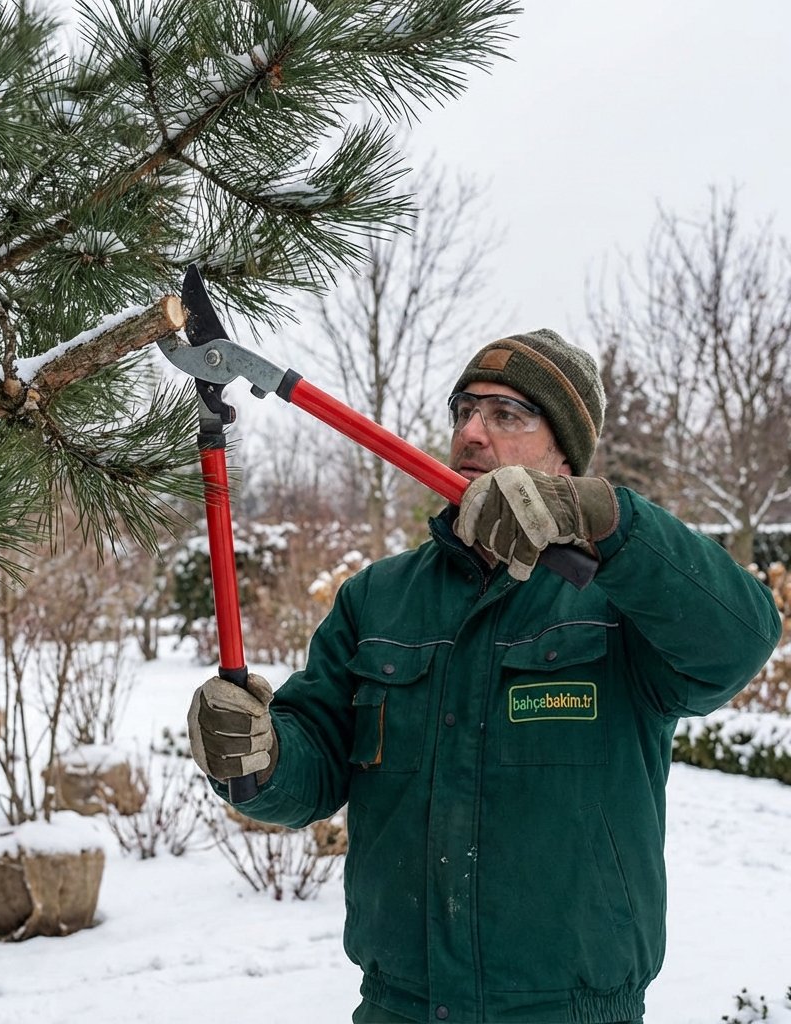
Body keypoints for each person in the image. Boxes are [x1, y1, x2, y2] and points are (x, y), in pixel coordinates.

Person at [187, 329, 782, 1024]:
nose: (471, 432)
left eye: (506, 415)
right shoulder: (378, 600)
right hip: (402, 1008)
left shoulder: (621, 603)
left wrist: (608, 520)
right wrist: (257, 760)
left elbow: (741, 639)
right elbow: (312, 762)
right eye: (464, 410)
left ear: (564, 453)